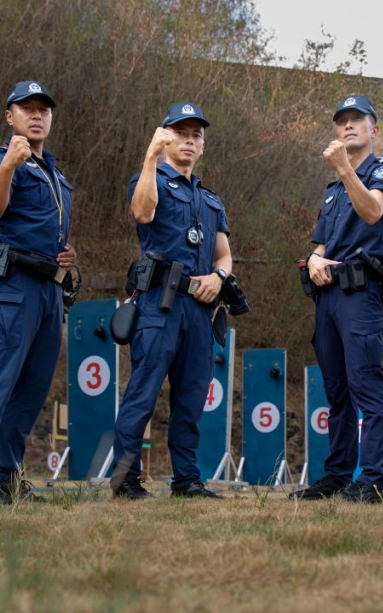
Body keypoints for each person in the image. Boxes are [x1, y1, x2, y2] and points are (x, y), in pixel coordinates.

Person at [110, 102, 233, 500]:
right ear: (165, 137)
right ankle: (126, 479)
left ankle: (187, 479)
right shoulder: (150, 179)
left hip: (199, 309)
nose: (189, 140)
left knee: (192, 398)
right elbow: (142, 214)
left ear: (203, 146)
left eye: (196, 135)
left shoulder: (211, 199)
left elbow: (223, 255)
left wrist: (220, 278)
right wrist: (149, 157)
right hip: (158, 304)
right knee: (142, 394)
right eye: (181, 133)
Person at [0, 81, 76, 504]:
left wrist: (66, 254)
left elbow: (48, 229)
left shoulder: (57, 175)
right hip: (13, 286)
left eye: (43, 109)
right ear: (10, 116)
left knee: (31, 390)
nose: (36, 115)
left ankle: (7, 476)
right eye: (26, 108)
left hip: (49, 291)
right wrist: (10, 163)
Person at [291, 94, 383, 504]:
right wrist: (316, 262)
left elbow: (373, 212)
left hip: (361, 293)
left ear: (374, 129)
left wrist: (345, 169)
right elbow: (322, 243)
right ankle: (337, 475)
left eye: (358, 120)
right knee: (336, 391)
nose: (349, 126)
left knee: (366, 387)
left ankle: (372, 480)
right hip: (329, 296)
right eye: (342, 122)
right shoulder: (332, 190)